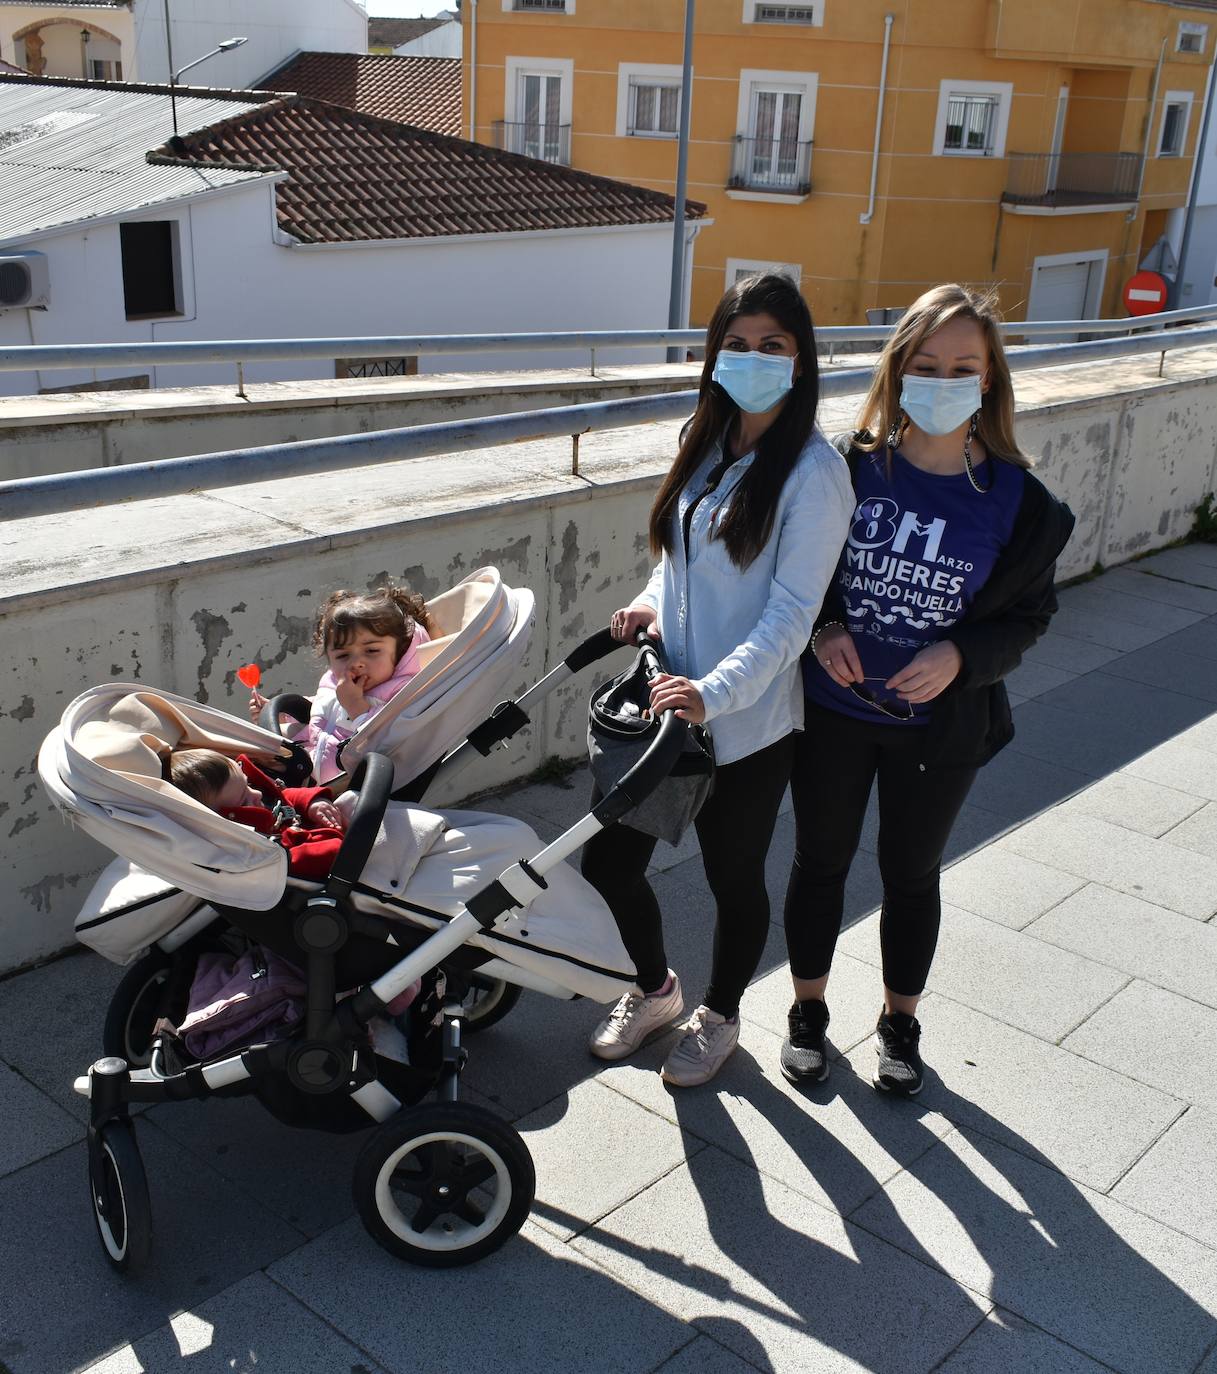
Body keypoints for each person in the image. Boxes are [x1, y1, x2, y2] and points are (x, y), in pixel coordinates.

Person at [781, 283, 1075, 1096]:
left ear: (988, 380)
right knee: (819, 861)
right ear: (898, 370)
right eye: (925, 363)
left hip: (936, 732)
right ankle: (807, 1012)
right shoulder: (845, 470)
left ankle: (898, 1023)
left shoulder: (1023, 504)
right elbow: (800, 581)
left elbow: (1028, 618)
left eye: (962, 366)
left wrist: (960, 656)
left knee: (911, 874)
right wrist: (824, 628)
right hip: (833, 715)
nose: (942, 378)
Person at [581, 272, 854, 1088]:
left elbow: (791, 614)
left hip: (742, 723)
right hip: (664, 709)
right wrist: (643, 605)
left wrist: (717, 692)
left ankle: (720, 1013)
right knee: (609, 865)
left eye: (772, 345)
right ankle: (656, 989)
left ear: (801, 360)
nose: (751, 358)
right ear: (713, 356)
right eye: (735, 345)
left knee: (732, 879)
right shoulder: (703, 439)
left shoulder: (814, 472)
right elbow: (678, 563)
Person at [248, 585, 433, 780]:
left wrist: (357, 708)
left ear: (399, 652)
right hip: (312, 759)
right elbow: (327, 706)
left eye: (371, 651)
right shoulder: (336, 682)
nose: (356, 663)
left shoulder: (403, 692)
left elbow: (391, 743)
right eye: (343, 655)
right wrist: (283, 716)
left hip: (352, 783)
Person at [169, 748, 347, 878]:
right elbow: (309, 859)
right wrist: (349, 844)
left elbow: (282, 797)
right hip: (336, 861)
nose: (257, 794)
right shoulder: (254, 852)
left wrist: (310, 803)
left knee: (350, 800)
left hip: (324, 829)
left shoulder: (260, 800)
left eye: (249, 785)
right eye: (244, 801)